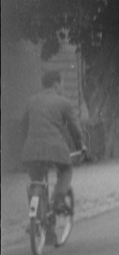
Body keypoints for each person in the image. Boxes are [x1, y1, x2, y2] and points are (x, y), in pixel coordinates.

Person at [20, 69, 85, 210]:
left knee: (37, 182)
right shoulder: (64, 103)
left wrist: (27, 143)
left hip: (31, 151)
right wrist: (81, 147)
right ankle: (58, 203)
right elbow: (75, 130)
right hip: (55, 150)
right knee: (66, 170)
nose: (63, 88)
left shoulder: (31, 101)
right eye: (63, 84)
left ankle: (37, 218)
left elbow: (24, 126)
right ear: (56, 84)